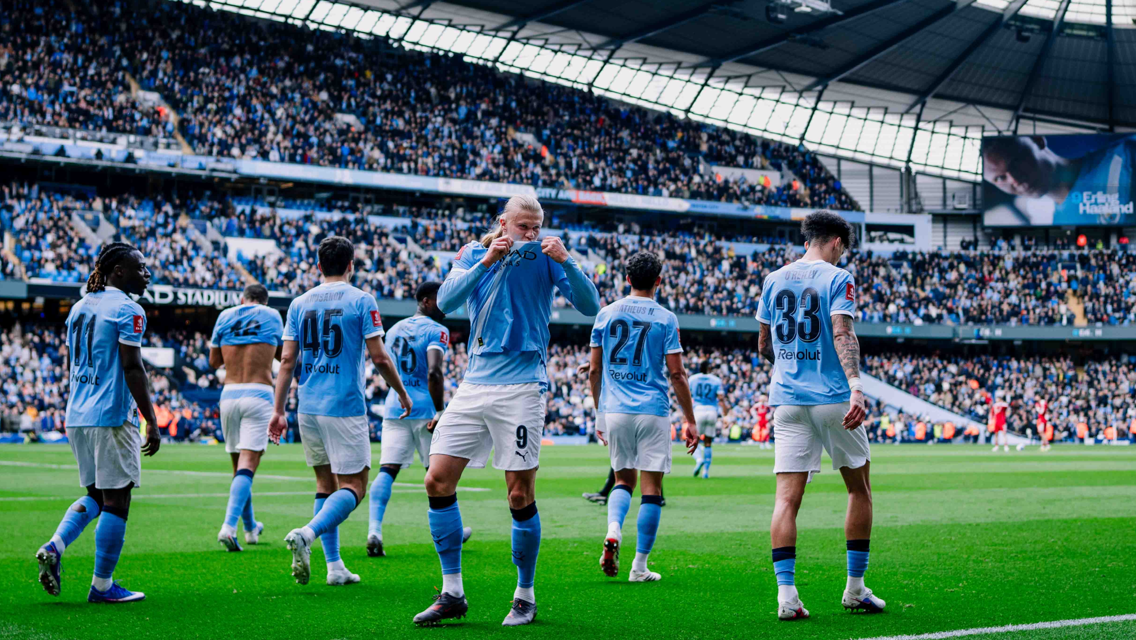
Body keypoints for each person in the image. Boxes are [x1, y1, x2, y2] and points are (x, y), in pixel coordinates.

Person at [413, 195, 599, 627]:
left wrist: (567, 260)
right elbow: (446, 301)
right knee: (436, 480)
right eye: (523, 227)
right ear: (503, 223)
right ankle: (452, 592)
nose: (530, 235)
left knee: (519, 492)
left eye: (536, 227)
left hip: (522, 385)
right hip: (475, 383)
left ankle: (525, 595)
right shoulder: (473, 253)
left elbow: (590, 306)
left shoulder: (549, 257)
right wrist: (488, 259)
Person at [756, 211, 884, 620]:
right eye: (842, 246)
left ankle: (787, 597)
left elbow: (764, 344)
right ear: (835, 241)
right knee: (858, 488)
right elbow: (843, 332)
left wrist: (793, 365)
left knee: (786, 501)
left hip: (788, 400)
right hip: (831, 397)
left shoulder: (773, 279)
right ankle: (855, 589)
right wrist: (856, 385)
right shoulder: (837, 276)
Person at [268, 236, 413, 587]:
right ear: (351, 265)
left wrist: (278, 410)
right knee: (354, 487)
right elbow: (379, 356)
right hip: (343, 405)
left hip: (308, 405)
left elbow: (287, 360)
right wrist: (402, 392)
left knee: (325, 484)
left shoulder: (299, 303)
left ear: (319, 266)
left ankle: (334, 567)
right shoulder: (362, 300)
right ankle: (308, 532)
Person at [36, 242, 160, 603]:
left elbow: (74, 362)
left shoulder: (79, 306)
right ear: (118, 271)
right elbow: (132, 367)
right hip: (110, 414)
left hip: (77, 413)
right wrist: (150, 420)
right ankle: (102, 586)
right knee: (117, 500)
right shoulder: (128, 309)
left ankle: (55, 544)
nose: (146, 273)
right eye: (140, 267)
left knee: (94, 494)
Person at [587, 251, 697, 583]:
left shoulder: (605, 314)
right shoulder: (666, 318)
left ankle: (613, 529)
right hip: (652, 410)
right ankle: (639, 567)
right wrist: (690, 419)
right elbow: (677, 375)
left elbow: (594, 369)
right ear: (658, 282)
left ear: (627, 279)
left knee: (623, 481)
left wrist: (599, 412)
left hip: (616, 409)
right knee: (651, 491)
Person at [367, 282, 471, 558]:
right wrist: (439, 411)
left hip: (395, 406)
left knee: (387, 470)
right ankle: (453, 534)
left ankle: (374, 531)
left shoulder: (394, 330)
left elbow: (385, 366)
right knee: (439, 475)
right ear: (426, 301)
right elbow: (434, 372)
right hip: (426, 410)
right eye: (440, 300)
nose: (445, 305)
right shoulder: (437, 330)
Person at [209, 283, 284, 552]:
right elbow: (282, 356)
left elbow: (213, 362)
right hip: (259, 393)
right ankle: (228, 527)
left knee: (240, 470)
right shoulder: (272, 315)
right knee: (248, 466)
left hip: (229, 394)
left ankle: (251, 528)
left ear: (243, 298)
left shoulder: (225, 316)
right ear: (264, 300)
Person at [982, 135, 1136, 226]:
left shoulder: (1126, 155)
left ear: (1038, 141)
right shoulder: (1061, 224)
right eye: (1000, 178)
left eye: (1015, 162)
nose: (1015, 180)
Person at [688, 361, 726, 478]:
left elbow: (688, 395)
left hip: (698, 410)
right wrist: (725, 412)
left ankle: (699, 459)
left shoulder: (692, 379)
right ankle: (706, 472)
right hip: (712, 411)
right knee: (708, 442)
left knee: (692, 439)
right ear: (709, 368)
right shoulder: (716, 380)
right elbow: (720, 397)